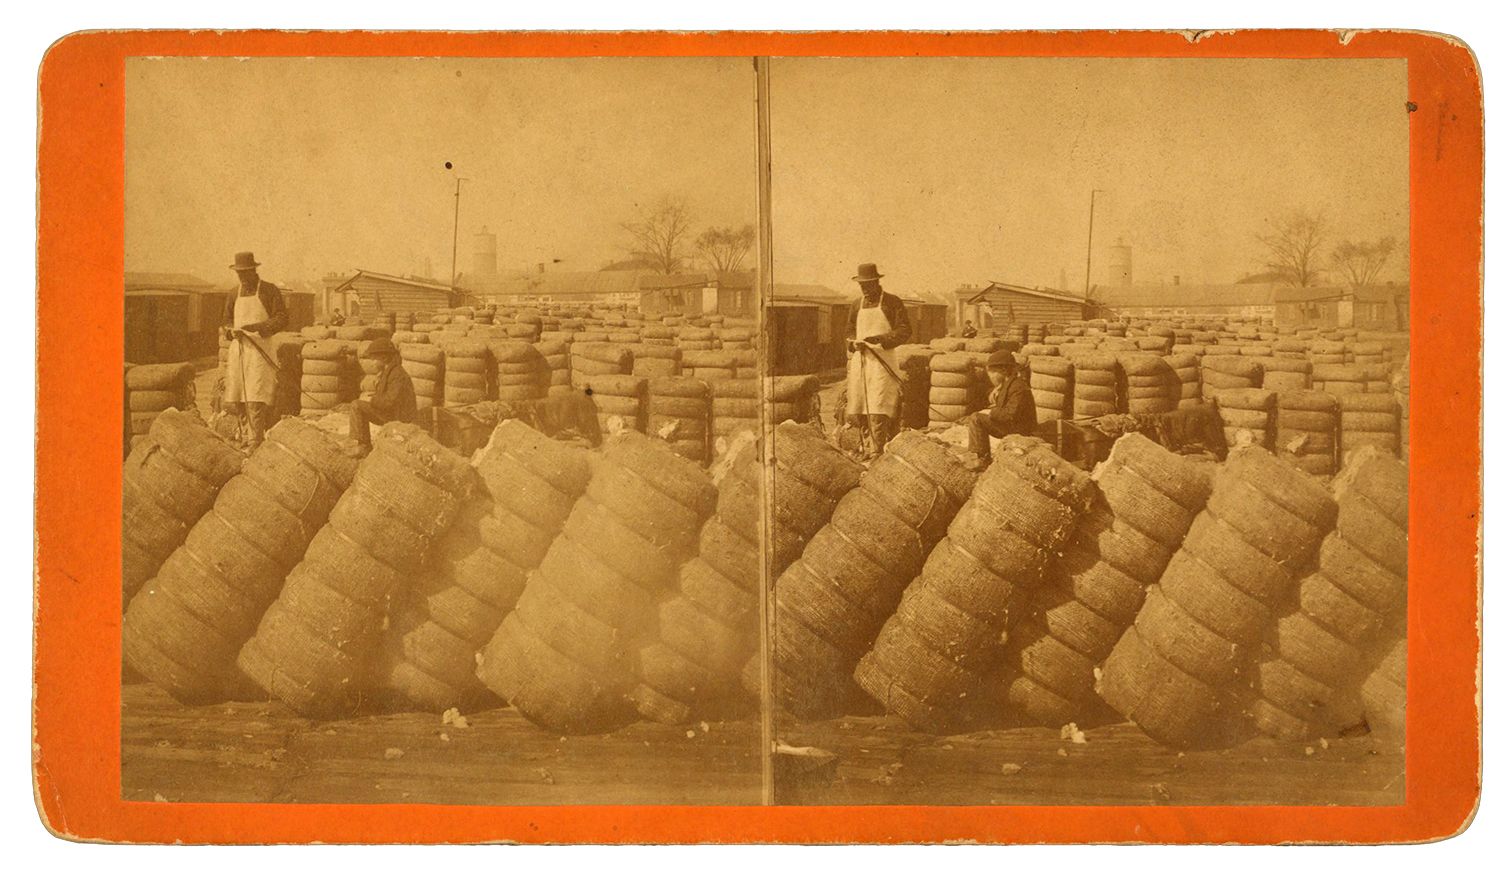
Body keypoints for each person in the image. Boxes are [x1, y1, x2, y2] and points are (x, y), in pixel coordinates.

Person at [222, 251, 288, 450]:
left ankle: (255, 439)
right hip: (240, 349)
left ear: (254, 270)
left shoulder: (269, 291)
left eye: (246, 272)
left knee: (256, 395)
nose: (242, 277)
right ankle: (245, 436)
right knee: (239, 395)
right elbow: (225, 321)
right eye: (239, 273)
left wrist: (259, 327)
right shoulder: (233, 293)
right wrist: (230, 333)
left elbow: (282, 318)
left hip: (261, 349)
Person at [844, 262, 911, 455]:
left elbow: (905, 330)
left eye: (868, 284)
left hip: (883, 361)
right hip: (861, 360)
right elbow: (848, 329)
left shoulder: (892, 302)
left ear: (877, 282)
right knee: (859, 404)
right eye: (861, 285)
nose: (865, 288)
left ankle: (877, 450)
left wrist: (881, 339)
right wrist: (852, 343)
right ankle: (864, 446)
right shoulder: (856, 304)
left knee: (878, 404)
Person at [966, 350, 1037, 467]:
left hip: (1021, 430)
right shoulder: (1008, 384)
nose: (991, 377)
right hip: (1013, 425)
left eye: (993, 373)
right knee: (974, 417)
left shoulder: (1018, 387)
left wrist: (990, 412)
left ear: (1004, 371)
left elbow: (1010, 415)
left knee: (976, 419)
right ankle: (979, 455)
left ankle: (982, 459)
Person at [349, 338, 417, 453]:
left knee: (357, 406)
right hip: (393, 413)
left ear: (384, 358)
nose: (373, 363)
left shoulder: (397, 375)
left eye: (374, 359)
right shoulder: (389, 372)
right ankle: (363, 443)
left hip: (399, 417)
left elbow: (390, 402)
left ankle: (364, 446)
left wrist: (372, 400)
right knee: (359, 404)